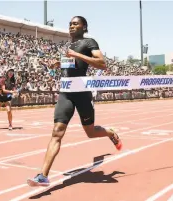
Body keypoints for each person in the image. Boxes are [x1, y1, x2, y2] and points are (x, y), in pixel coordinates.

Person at [27, 16, 122, 187]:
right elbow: (74, 65)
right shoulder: (69, 46)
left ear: (84, 27)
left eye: (75, 23)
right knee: (57, 131)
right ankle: (43, 175)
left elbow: (102, 63)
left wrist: (76, 54)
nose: (71, 26)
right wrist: (60, 63)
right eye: (70, 23)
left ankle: (110, 132)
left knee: (91, 132)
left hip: (82, 93)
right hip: (66, 93)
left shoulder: (89, 42)